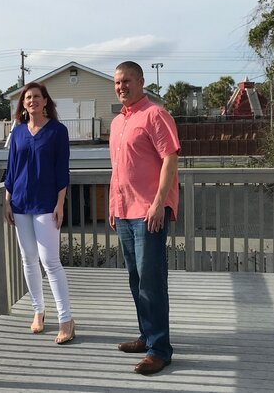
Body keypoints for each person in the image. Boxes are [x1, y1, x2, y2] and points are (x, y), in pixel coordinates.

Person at [109, 61, 180, 374]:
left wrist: (159, 204)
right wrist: (113, 205)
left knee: (152, 281)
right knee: (136, 280)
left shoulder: (155, 114)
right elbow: (118, 170)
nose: (121, 86)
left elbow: (170, 158)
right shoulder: (117, 123)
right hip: (124, 212)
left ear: (140, 81)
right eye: (117, 83)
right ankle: (146, 335)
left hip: (148, 212)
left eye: (126, 81)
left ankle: (159, 349)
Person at [3, 82, 75, 344]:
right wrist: (7, 201)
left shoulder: (57, 131)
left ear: (46, 101)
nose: (32, 100)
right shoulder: (19, 132)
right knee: (28, 260)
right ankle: (38, 311)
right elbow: (11, 170)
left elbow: (62, 171)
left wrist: (60, 203)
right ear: (23, 104)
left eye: (37, 96)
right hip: (20, 204)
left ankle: (66, 320)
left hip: (46, 204)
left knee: (50, 262)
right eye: (27, 97)